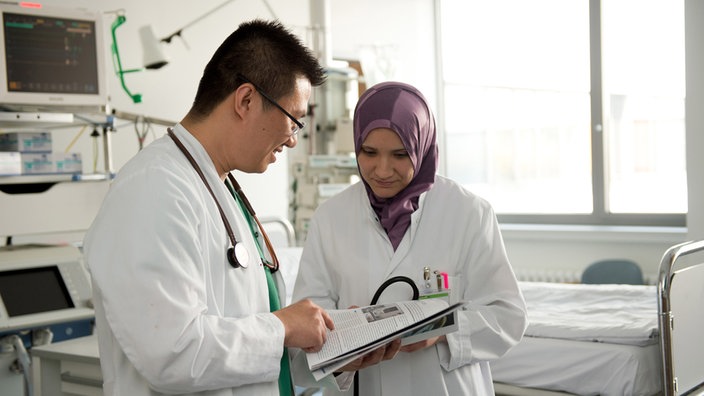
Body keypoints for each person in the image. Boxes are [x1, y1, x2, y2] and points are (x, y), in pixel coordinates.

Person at [83, 19, 335, 396]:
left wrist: (330, 352)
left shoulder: (221, 186)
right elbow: (172, 353)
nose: (294, 139)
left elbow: (247, 342)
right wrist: (281, 327)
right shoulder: (154, 189)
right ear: (246, 100)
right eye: (294, 120)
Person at [291, 81, 528, 395]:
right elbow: (305, 331)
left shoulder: (469, 213)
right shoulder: (330, 218)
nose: (382, 169)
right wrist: (343, 345)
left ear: (423, 145)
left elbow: (508, 317)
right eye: (369, 152)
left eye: (400, 154)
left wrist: (442, 330)